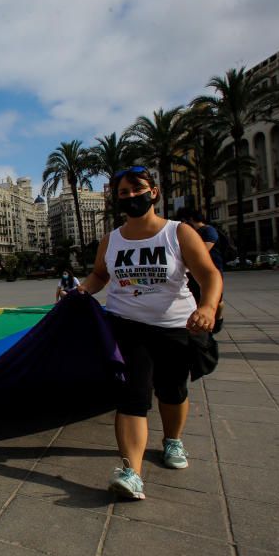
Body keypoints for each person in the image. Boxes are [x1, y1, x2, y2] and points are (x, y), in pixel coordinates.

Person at [76, 166, 222, 501]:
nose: (130, 197)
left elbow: (209, 275)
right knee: (132, 397)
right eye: (123, 193)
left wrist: (208, 308)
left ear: (153, 192)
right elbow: (99, 275)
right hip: (126, 327)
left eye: (136, 190)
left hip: (176, 328)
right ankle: (131, 473)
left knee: (172, 392)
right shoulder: (111, 240)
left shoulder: (178, 232)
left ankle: (172, 440)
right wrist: (84, 289)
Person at [176, 207, 226, 333]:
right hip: (192, 272)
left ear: (190, 219)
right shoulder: (192, 232)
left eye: (184, 220)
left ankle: (217, 319)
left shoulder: (209, 231)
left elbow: (202, 251)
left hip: (212, 270)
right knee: (197, 297)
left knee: (217, 300)